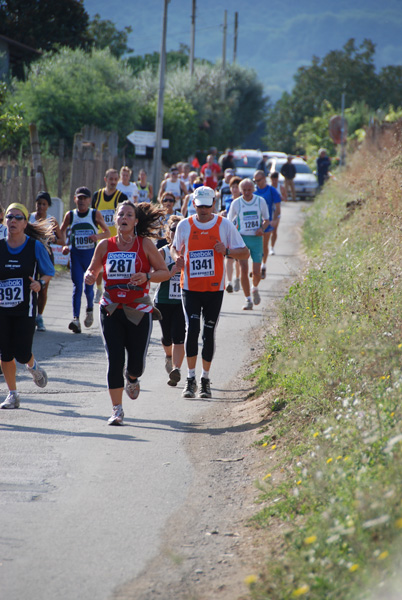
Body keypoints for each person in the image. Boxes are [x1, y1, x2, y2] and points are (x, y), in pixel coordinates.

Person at [84, 201, 170, 425]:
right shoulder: (104, 245)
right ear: (115, 220)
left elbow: (164, 272)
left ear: (135, 221)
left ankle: (132, 378)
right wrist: (90, 276)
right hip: (111, 308)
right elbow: (92, 268)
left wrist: (148, 277)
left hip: (138, 310)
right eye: (120, 214)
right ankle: (117, 410)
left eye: (129, 215)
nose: (124, 218)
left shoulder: (145, 245)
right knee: (114, 359)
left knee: (136, 365)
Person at [172, 186, 249, 399]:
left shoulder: (224, 225)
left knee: (208, 333)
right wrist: (177, 257)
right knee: (192, 329)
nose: (204, 209)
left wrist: (226, 251)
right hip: (190, 288)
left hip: (215, 289)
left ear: (213, 204)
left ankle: (205, 379)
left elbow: (245, 252)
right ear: (194, 204)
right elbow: (174, 247)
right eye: (200, 205)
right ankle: (190, 379)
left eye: (208, 205)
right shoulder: (184, 225)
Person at [0, 203, 55, 409]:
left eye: (17, 218)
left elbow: (49, 272)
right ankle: (12, 394)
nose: (12, 221)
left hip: (26, 308)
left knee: (22, 353)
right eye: (9, 217)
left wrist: (40, 283)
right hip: (2, 309)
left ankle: (32, 366)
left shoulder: (34, 247)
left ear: (25, 223)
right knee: (5, 353)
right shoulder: (0, 247)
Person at [60, 187, 110, 334]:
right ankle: (75, 319)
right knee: (77, 287)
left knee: (88, 289)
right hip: (76, 256)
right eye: (79, 198)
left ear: (89, 200)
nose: (81, 201)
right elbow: (61, 230)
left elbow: (106, 232)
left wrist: (97, 237)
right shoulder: (70, 215)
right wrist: (65, 246)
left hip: (91, 257)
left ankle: (89, 308)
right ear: (75, 199)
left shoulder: (94, 214)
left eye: (84, 198)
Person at [228, 178, 270, 310]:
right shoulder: (236, 203)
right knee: (244, 269)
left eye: (249, 190)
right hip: (242, 240)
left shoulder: (260, 201)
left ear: (253, 189)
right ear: (240, 190)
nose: (246, 192)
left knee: (256, 272)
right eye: (244, 190)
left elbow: (267, 220)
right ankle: (248, 300)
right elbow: (229, 222)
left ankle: (254, 288)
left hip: (256, 239)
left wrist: (261, 228)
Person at [154, 215, 186, 387]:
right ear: (168, 233)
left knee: (179, 336)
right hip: (164, 301)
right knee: (167, 337)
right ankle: (168, 355)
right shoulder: (162, 252)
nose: (176, 232)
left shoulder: (189, 250)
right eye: (173, 229)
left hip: (183, 301)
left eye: (179, 229)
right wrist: (170, 271)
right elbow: (153, 276)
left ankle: (176, 369)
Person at [29, 191, 64, 332]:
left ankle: (40, 316)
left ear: (48, 206)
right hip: (30, 255)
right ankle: (29, 316)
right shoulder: (29, 217)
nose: (41, 207)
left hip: (46, 256)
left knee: (43, 289)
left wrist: (53, 239)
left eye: (44, 204)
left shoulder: (51, 220)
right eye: (39, 203)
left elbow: (63, 241)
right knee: (30, 286)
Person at [92, 168, 128, 301]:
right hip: (99, 236)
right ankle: (99, 289)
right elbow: (92, 215)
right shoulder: (97, 195)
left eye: (115, 179)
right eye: (110, 179)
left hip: (115, 238)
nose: (113, 182)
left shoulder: (121, 197)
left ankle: (110, 290)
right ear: (105, 179)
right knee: (99, 265)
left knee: (111, 266)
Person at [253, 170, 281, 277]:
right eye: (255, 181)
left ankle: (263, 265)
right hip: (255, 223)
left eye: (258, 180)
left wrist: (275, 220)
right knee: (256, 247)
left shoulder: (271, 190)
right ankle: (257, 266)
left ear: (264, 179)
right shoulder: (253, 191)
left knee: (264, 245)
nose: (257, 183)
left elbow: (277, 208)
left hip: (267, 222)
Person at [221, 176, 242, 293]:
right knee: (229, 258)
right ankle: (229, 282)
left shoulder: (242, 201)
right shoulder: (227, 200)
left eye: (236, 187)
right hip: (228, 232)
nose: (234, 189)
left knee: (237, 259)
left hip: (239, 233)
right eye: (233, 187)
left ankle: (237, 278)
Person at [269, 171, 284, 253]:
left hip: (277, 211)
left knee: (274, 230)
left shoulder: (281, 187)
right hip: (268, 211)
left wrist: (280, 197)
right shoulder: (268, 187)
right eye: (273, 180)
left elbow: (286, 198)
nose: (274, 181)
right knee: (267, 231)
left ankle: (272, 247)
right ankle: (265, 247)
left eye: (276, 179)